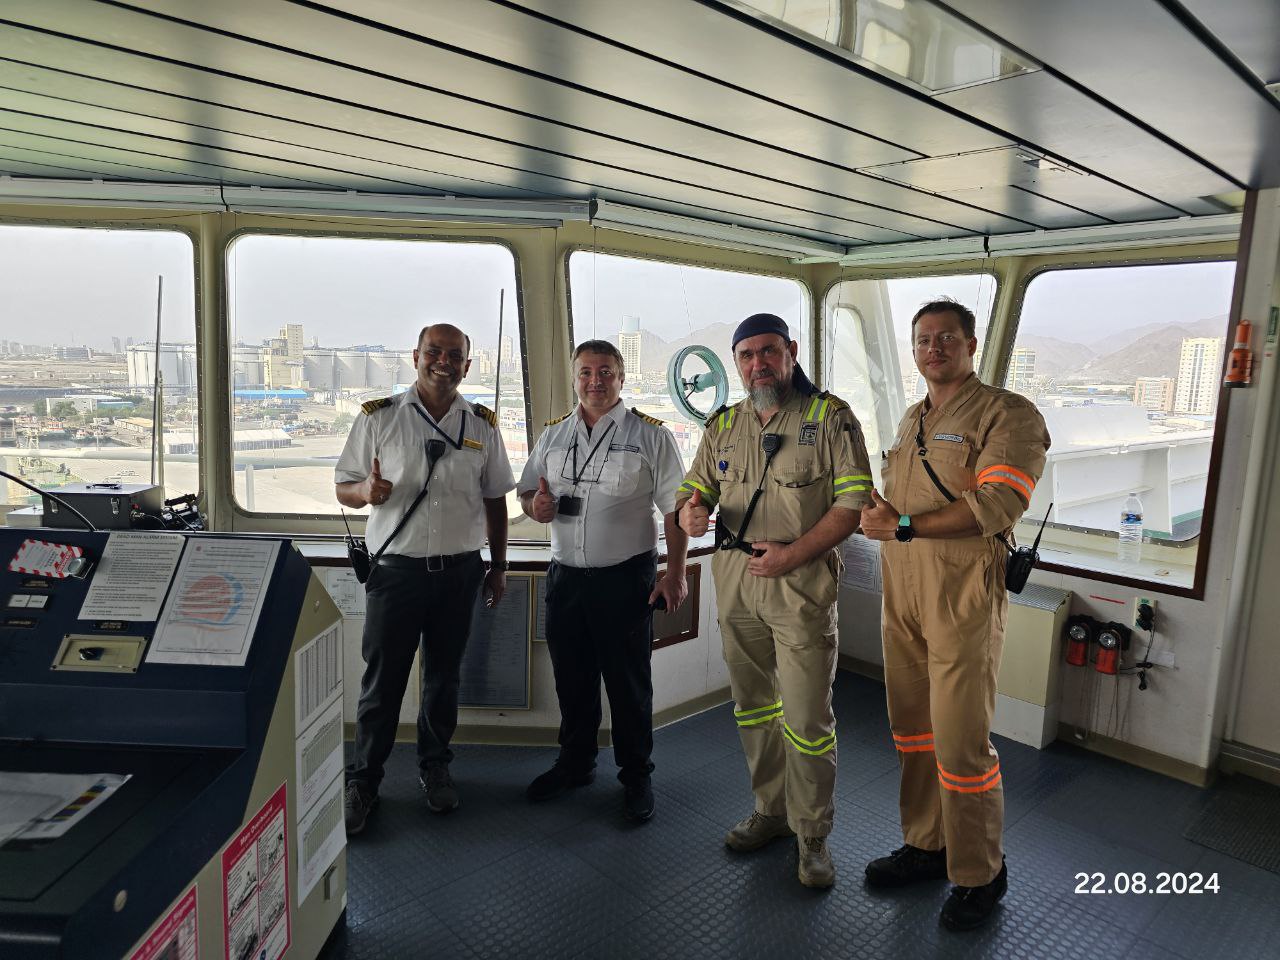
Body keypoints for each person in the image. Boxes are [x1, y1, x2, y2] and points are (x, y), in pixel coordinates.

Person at [859, 297, 1050, 931]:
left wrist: (902, 525)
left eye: (946, 337)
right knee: (912, 730)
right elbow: (898, 502)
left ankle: (980, 872)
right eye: (922, 339)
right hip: (903, 593)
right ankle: (926, 844)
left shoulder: (1008, 414)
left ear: (971, 344)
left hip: (962, 595)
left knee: (962, 742)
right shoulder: (913, 417)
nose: (933, 348)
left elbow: (999, 504)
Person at [675, 313, 873, 888]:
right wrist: (691, 512)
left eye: (768, 351)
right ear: (736, 364)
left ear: (791, 352)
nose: (757, 364)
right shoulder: (724, 424)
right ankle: (771, 811)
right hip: (736, 582)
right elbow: (696, 490)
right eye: (746, 355)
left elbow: (853, 505)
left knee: (807, 717)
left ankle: (812, 836)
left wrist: (792, 556)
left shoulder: (829, 418)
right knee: (754, 706)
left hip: (800, 584)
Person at [337, 323, 514, 835]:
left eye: (454, 355)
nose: (443, 362)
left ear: (467, 365)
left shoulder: (482, 425)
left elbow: (495, 500)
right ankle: (364, 781)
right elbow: (343, 487)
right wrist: (365, 492)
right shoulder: (380, 417)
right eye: (434, 352)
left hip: (459, 574)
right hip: (397, 575)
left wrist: (499, 566)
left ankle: (435, 768)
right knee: (382, 683)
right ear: (415, 356)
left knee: (444, 679)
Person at [518, 339, 689, 822]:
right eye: (586, 372)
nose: (595, 381)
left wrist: (675, 573)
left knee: (628, 684)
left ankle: (636, 775)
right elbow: (527, 491)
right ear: (575, 377)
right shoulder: (553, 435)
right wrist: (535, 506)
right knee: (572, 681)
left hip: (625, 580)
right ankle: (575, 764)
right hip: (566, 580)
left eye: (606, 372)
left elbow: (675, 510)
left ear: (621, 377)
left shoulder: (650, 435)